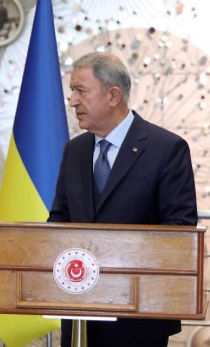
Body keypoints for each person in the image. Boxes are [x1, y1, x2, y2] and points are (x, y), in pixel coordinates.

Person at [48, 52, 198, 347]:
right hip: (79, 312)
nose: (73, 101)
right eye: (72, 91)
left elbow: (180, 230)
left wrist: (115, 259)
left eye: (81, 91)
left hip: (139, 317)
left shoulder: (167, 149)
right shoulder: (75, 150)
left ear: (113, 95)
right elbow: (59, 219)